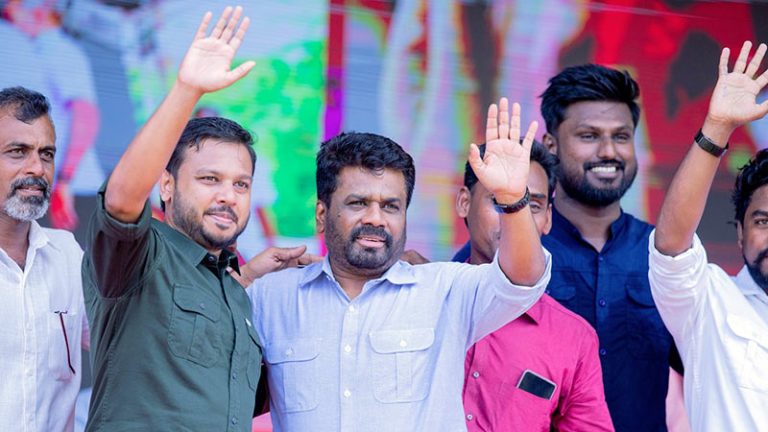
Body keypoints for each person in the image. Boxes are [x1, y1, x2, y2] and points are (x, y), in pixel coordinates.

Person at [245, 99, 550, 431]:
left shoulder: (445, 290)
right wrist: (244, 277)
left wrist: (512, 199)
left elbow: (523, 280)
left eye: (391, 206)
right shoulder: (270, 296)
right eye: (358, 203)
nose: (375, 218)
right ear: (322, 215)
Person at [81, 7, 305, 431]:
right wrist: (187, 89)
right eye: (209, 179)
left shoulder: (237, 294)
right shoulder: (139, 257)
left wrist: (249, 280)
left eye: (241, 185)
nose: (227, 196)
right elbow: (122, 198)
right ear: (166, 186)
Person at [453, 64, 684, 430]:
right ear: (550, 144)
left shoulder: (665, 257)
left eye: (621, 136)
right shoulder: (506, 248)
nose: (608, 151)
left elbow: (709, 366)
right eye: (589, 135)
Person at [650, 40, 768, 430]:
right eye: (763, 222)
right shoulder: (710, 302)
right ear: (739, 234)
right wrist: (717, 128)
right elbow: (671, 245)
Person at [457, 141, 613, 431]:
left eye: (532, 205)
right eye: (500, 200)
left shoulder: (574, 338)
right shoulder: (422, 299)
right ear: (464, 202)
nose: (517, 218)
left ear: (548, 220)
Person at [0, 86, 89, 431]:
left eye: (47, 154)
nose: (37, 168)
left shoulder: (66, 253)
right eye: (18, 152)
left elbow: (123, 340)